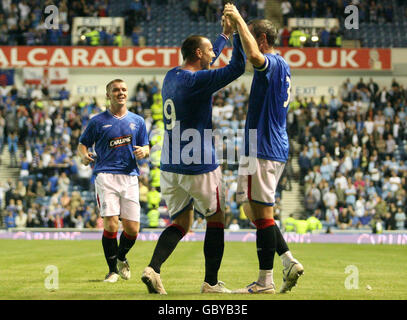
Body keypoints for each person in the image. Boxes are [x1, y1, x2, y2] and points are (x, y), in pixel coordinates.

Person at [141, 14, 246, 295]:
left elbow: (207, 62)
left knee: (181, 222)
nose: (214, 54)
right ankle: (210, 283)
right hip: (198, 163)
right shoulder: (198, 81)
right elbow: (238, 67)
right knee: (216, 218)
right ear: (199, 53)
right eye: (210, 50)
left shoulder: (172, 75)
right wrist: (236, 33)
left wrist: (222, 37)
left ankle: (153, 268)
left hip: (169, 164)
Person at [224, 4, 303, 294]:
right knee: (250, 208)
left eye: (248, 38)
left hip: (263, 148)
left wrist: (238, 19)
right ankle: (287, 260)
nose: (246, 46)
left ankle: (265, 281)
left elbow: (254, 55)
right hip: (262, 147)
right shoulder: (280, 66)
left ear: (262, 40)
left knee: (263, 212)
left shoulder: (271, 62)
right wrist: (233, 33)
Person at [78, 79, 149, 283]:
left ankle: (121, 257)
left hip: (130, 176)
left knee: (133, 230)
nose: (121, 93)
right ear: (108, 95)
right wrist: (83, 155)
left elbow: (146, 146)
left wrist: (144, 150)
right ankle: (112, 271)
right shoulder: (97, 121)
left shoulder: (138, 121)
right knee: (110, 225)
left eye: (124, 89)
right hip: (105, 175)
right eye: (116, 90)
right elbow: (82, 144)